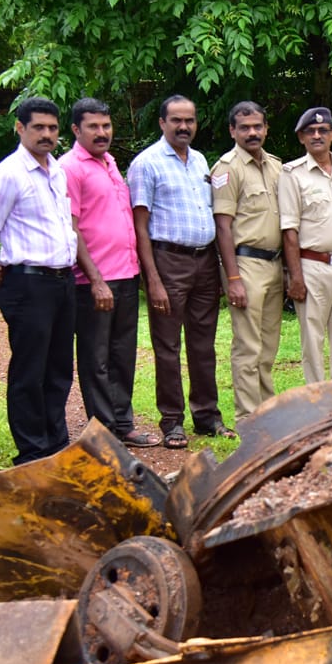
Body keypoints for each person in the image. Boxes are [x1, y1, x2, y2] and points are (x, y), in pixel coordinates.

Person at [0, 97, 78, 465]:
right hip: (28, 283)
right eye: (39, 127)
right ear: (20, 128)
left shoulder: (57, 171)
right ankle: (32, 452)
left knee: (59, 368)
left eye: (52, 128)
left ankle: (56, 442)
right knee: (29, 371)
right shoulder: (8, 175)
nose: (47, 134)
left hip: (62, 283)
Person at [130, 95, 235, 449]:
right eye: (176, 120)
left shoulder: (200, 160)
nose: (184, 126)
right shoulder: (147, 164)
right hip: (168, 261)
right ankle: (172, 421)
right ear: (162, 123)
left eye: (189, 120)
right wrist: (153, 280)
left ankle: (207, 416)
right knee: (168, 345)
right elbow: (140, 228)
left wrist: (219, 268)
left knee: (203, 344)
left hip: (204, 261)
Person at [60, 98, 153, 448]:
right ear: (76, 130)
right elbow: (72, 228)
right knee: (96, 358)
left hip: (125, 275)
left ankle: (123, 423)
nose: (102, 133)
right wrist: (95, 279)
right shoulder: (70, 167)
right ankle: (103, 430)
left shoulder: (109, 163)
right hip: (93, 280)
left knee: (122, 354)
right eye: (93, 127)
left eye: (106, 126)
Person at [279, 107, 332, 383]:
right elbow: (289, 231)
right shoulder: (292, 174)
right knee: (312, 340)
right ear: (301, 138)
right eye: (310, 132)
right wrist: (296, 277)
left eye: (323, 130)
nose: (317, 135)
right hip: (312, 266)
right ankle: (316, 401)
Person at [212, 101, 283, 420]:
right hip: (246, 265)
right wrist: (234, 278)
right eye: (245, 127)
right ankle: (247, 418)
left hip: (274, 265)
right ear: (232, 131)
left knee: (268, 346)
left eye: (257, 126)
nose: (252, 132)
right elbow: (223, 227)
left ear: (266, 128)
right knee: (248, 347)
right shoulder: (227, 169)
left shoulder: (277, 167)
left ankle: (266, 411)